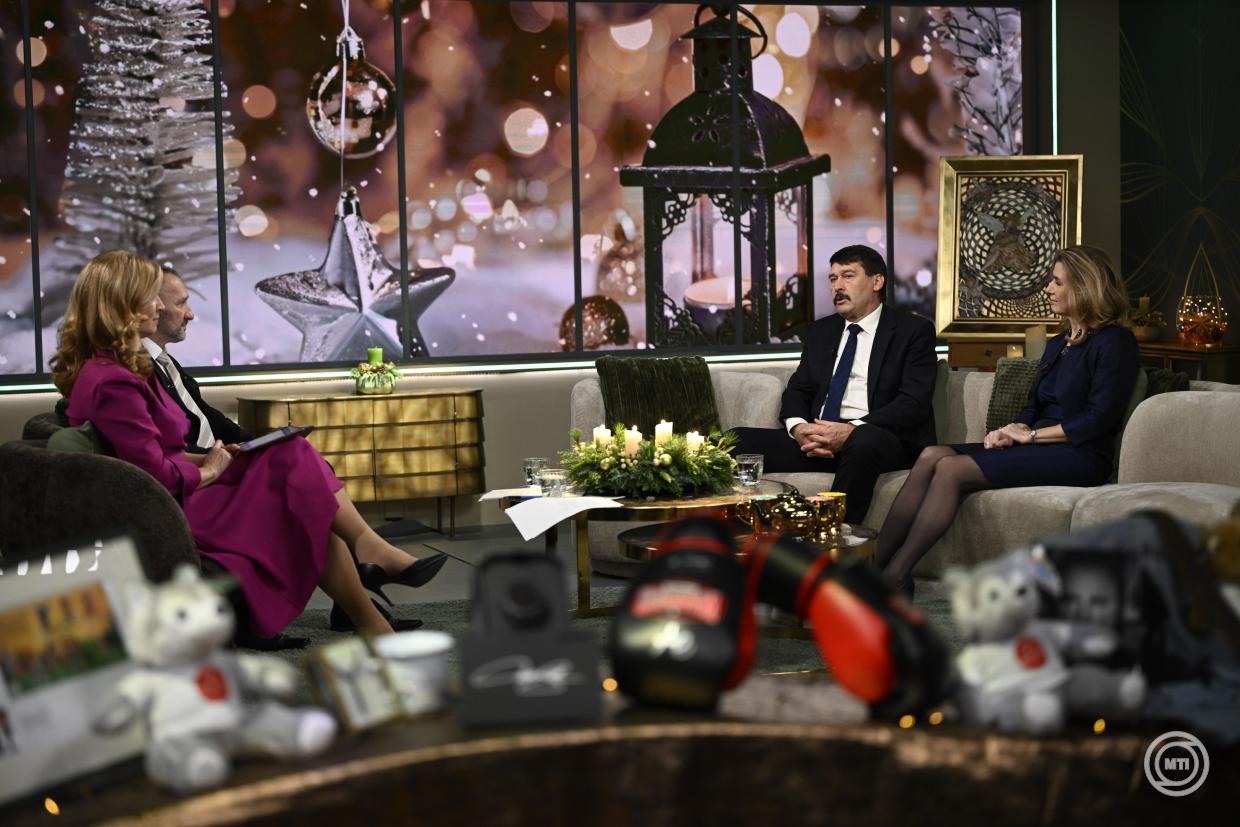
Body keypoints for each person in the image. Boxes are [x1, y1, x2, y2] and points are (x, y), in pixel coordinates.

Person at [50, 250, 446, 640]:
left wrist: (213, 457)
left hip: (178, 492)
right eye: (150, 297)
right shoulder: (114, 381)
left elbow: (155, 455)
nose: (159, 306)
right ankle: (371, 555)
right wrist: (210, 469)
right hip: (173, 508)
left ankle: (371, 609)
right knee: (295, 466)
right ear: (122, 305)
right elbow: (154, 475)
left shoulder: (119, 368)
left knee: (294, 463)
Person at [876, 245, 1140, 596]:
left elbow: (1099, 420)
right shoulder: (1059, 343)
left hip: (1082, 454)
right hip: (1041, 445)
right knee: (931, 455)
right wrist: (1010, 430)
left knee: (951, 469)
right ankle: (872, 568)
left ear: (1084, 287)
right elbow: (1034, 403)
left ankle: (895, 576)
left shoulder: (1116, 342)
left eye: (1057, 282)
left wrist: (1031, 437)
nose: (1048, 288)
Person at [732, 245, 939, 525]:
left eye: (848, 276)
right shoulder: (822, 331)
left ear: (877, 281)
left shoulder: (912, 331)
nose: (837, 286)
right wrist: (799, 428)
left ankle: (831, 533)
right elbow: (799, 389)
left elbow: (913, 403)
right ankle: (735, 537)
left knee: (863, 441)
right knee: (736, 440)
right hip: (819, 440)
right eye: (833, 279)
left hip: (880, 439)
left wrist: (851, 430)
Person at [142, 267, 251, 452]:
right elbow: (165, 448)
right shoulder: (135, 370)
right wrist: (215, 459)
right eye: (180, 304)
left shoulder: (166, 362)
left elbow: (205, 416)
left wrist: (256, 444)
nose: (190, 315)